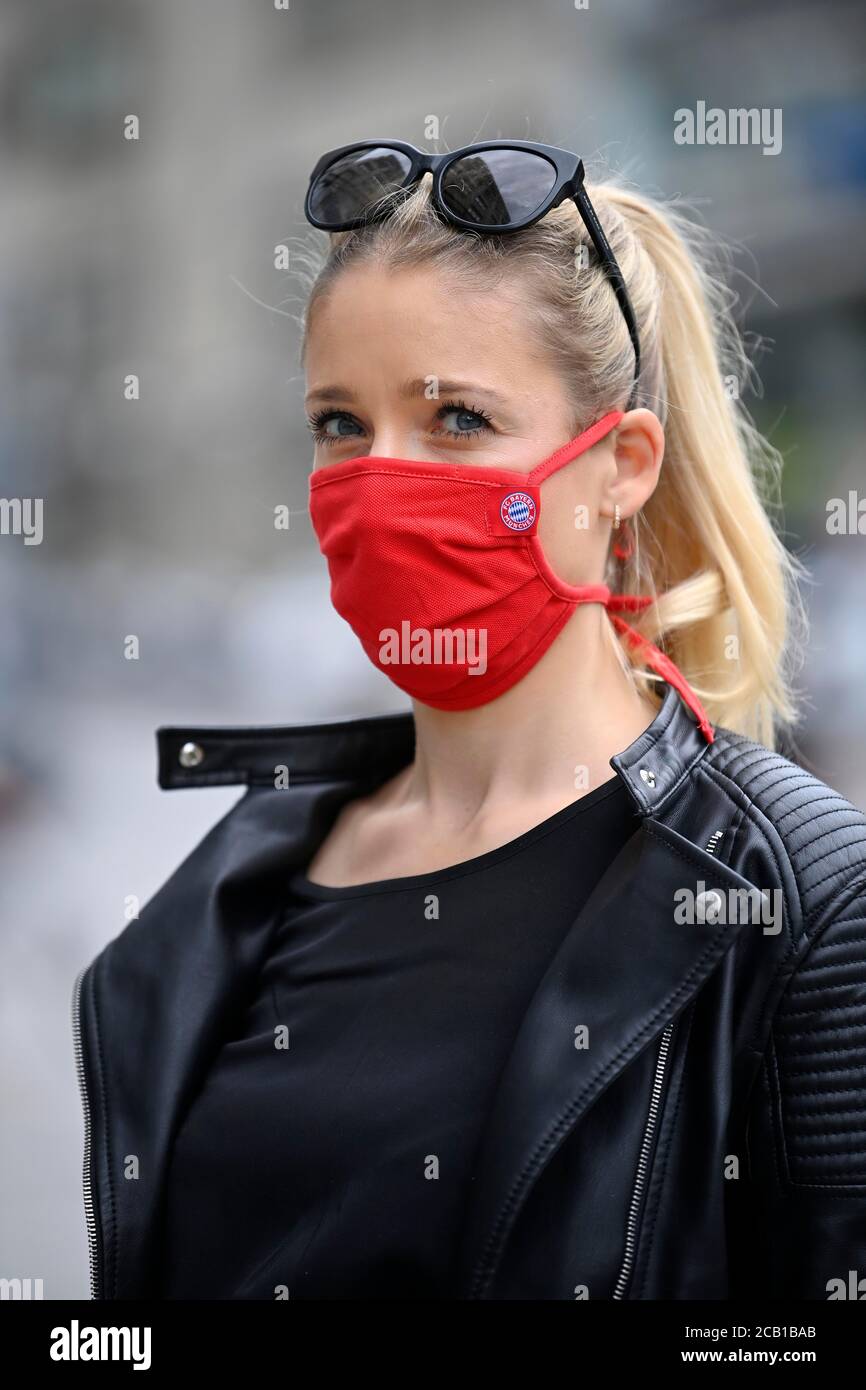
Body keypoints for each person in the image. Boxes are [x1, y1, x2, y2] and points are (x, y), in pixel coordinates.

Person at [72, 141, 866, 1301]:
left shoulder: (797, 892)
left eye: (454, 418)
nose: (380, 481)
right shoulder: (229, 889)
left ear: (619, 468)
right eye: (340, 424)